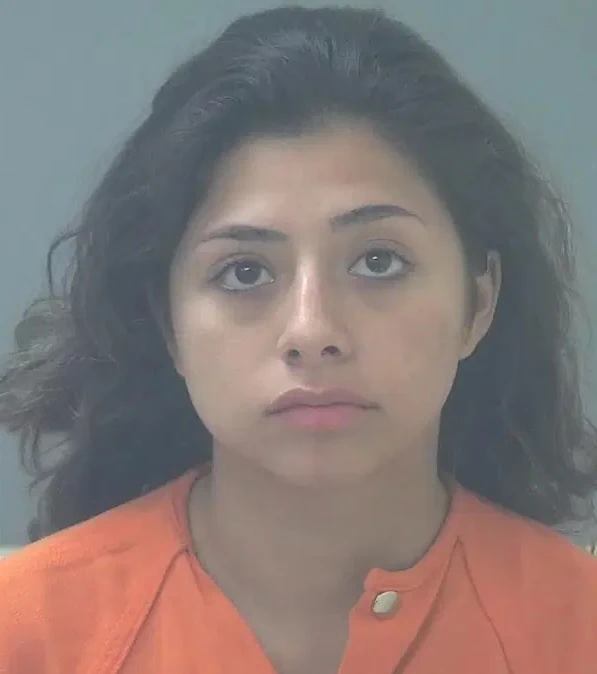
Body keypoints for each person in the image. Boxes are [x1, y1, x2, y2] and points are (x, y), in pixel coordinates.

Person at [0, 5, 596, 673]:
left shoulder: (579, 627)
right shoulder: (24, 633)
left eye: (378, 261)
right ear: (168, 324)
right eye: (244, 272)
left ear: (478, 303)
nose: (312, 331)